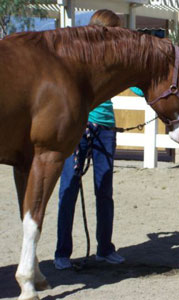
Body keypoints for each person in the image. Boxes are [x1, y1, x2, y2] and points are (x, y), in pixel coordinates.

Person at [54, 9, 125, 270]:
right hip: (78, 125)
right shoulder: (78, 55)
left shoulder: (115, 57)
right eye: (115, 30)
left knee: (104, 188)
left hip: (105, 127)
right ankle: (62, 252)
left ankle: (104, 248)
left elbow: (133, 80)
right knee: (69, 186)